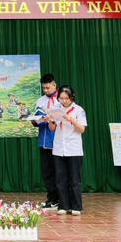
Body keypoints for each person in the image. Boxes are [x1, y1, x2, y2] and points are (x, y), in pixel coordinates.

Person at [48, 85, 87, 216]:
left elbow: (81, 129)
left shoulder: (78, 110)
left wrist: (71, 120)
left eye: (66, 98)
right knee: (60, 180)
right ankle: (63, 206)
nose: (64, 101)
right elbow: (52, 129)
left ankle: (76, 206)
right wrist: (50, 121)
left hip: (74, 149)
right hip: (59, 148)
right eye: (61, 98)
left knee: (74, 179)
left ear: (72, 97)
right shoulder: (56, 109)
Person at [31, 73, 60, 210]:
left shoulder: (62, 99)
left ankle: (63, 199)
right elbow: (35, 121)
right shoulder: (40, 101)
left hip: (58, 142)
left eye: (48, 88)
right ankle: (52, 199)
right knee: (47, 172)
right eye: (43, 88)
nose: (46, 90)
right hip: (44, 141)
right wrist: (34, 120)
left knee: (59, 172)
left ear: (54, 85)